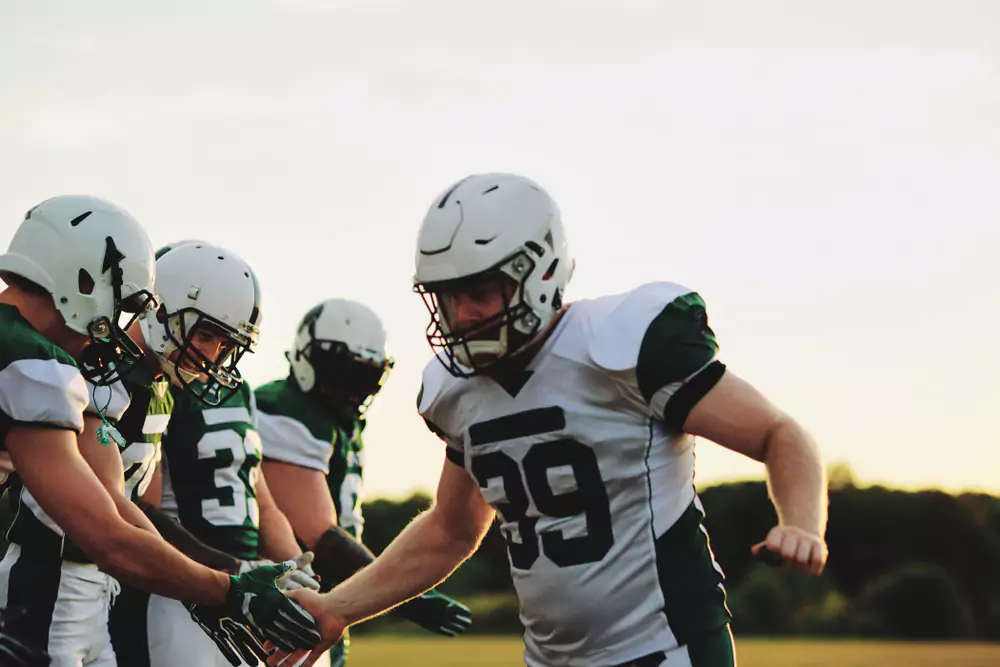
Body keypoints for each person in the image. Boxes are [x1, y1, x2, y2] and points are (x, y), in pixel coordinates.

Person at [271, 173, 830, 667]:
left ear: (537, 271)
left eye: (479, 291)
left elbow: (779, 433)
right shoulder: (454, 388)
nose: (461, 314)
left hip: (668, 648)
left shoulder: (619, 344)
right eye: (447, 296)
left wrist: (801, 522)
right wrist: (336, 607)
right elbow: (451, 528)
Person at [0, 197, 319, 667]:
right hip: (39, 595)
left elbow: (127, 508)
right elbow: (107, 530)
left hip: (84, 596)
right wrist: (226, 586)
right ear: (81, 279)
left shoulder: (131, 384)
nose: (115, 325)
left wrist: (196, 584)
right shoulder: (35, 359)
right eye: (121, 303)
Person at [256, 299, 472, 666]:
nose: (356, 391)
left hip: (321, 596)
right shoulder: (285, 410)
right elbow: (316, 535)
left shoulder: (340, 423)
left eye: (365, 377)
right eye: (345, 374)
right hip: (282, 598)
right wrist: (405, 594)